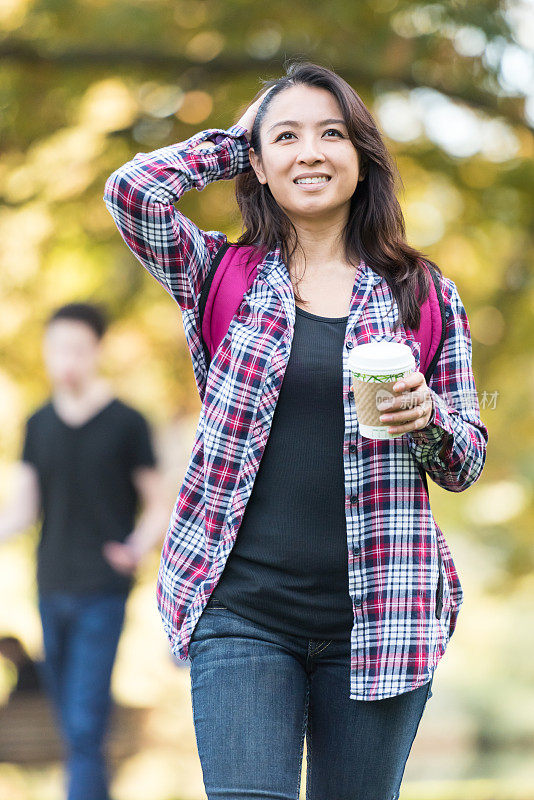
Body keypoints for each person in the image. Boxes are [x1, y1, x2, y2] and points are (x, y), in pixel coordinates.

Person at [103, 61, 489, 800]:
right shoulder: (221, 271)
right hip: (243, 612)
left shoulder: (423, 293)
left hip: (382, 618)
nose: (309, 152)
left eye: (331, 134)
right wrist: (236, 140)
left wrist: (429, 419)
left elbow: (465, 459)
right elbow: (132, 192)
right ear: (260, 160)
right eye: (286, 137)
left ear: (361, 154)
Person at [0, 302, 170, 800]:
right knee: (71, 722)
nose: (65, 359)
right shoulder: (38, 423)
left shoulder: (127, 422)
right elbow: (23, 508)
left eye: (76, 348)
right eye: (56, 348)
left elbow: (159, 503)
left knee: (84, 720)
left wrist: (136, 546)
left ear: (95, 351)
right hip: (51, 586)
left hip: (103, 590)